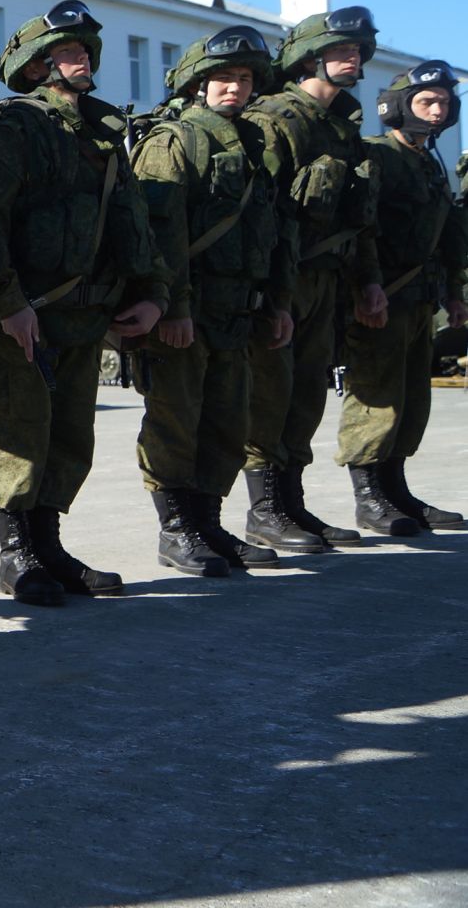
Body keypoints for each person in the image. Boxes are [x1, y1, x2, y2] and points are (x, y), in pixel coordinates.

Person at [0, 2, 169, 604]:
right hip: (24, 314)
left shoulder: (104, 135)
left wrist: (152, 295)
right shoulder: (14, 127)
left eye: (84, 51)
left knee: (70, 434)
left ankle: (48, 545)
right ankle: (16, 556)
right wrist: (7, 302)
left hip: (85, 314)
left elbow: (134, 223)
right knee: (19, 430)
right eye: (68, 52)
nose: (83, 60)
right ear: (36, 66)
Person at [132, 28, 295, 576]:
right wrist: (173, 307)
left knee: (227, 423)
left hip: (237, 312)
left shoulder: (254, 146)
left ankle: (208, 523)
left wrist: (277, 302)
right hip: (190, 311)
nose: (235, 87)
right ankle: (177, 530)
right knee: (176, 420)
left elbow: (273, 232)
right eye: (223, 77)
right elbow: (159, 234)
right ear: (199, 84)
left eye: (245, 78)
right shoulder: (174, 140)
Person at [239, 9, 385, 552]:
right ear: (309, 57)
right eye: (342, 50)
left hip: (326, 277)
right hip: (286, 278)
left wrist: (367, 280)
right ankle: (265, 510)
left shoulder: (341, 126)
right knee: (270, 395)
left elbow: (359, 216)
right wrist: (274, 295)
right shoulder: (276, 118)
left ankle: (291, 504)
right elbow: (265, 215)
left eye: (359, 52)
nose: (354, 59)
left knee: (306, 395)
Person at [334, 61, 468, 532]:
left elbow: (446, 234)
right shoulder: (378, 155)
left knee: (412, 401)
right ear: (398, 107)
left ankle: (396, 490)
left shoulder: (428, 161)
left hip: (420, 302)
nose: (437, 111)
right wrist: (367, 287)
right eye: (427, 102)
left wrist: (453, 294)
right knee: (375, 396)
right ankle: (369, 497)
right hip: (383, 299)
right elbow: (363, 229)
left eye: (444, 104)